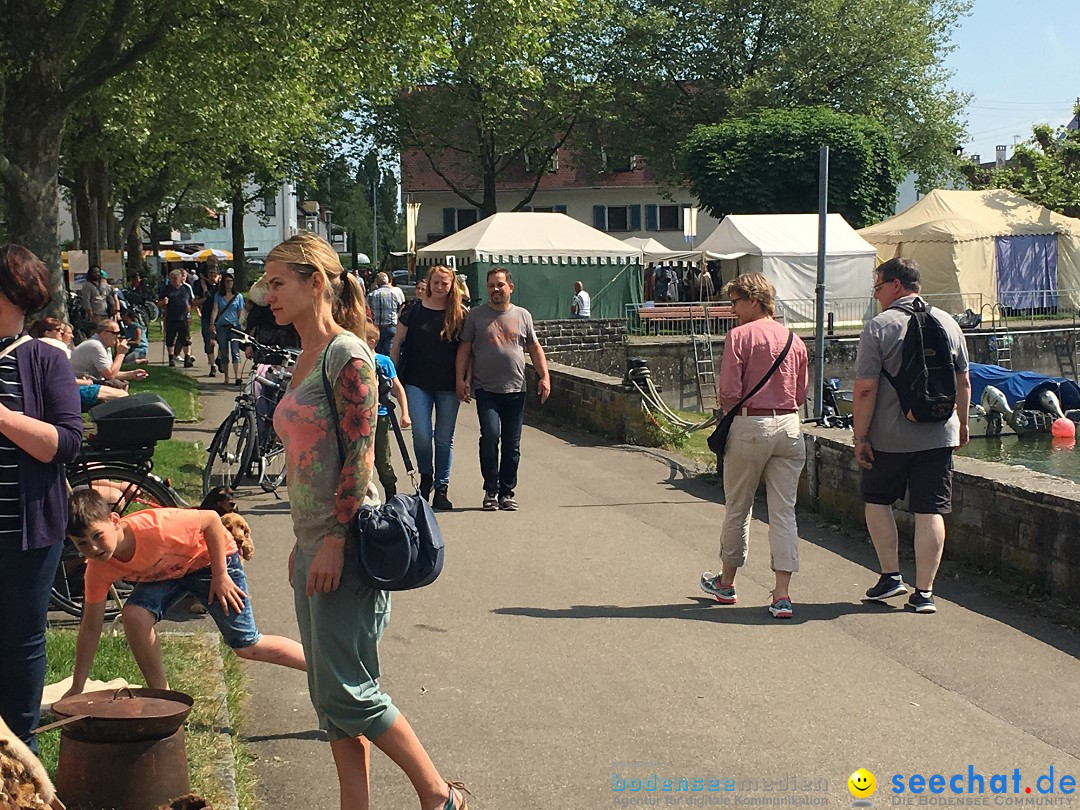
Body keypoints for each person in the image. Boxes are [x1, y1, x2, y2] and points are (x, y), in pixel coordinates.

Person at [265, 232, 468, 810]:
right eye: (268, 284)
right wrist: (302, 542)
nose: (269, 294)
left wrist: (330, 538)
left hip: (345, 541)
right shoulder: (304, 356)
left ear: (315, 283)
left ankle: (437, 795)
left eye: (279, 283)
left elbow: (360, 455)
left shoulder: (345, 354)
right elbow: (308, 461)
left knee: (350, 692)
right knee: (330, 698)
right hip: (314, 541)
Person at [64, 490, 307, 695]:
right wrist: (77, 686)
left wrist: (221, 575)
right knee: (135, 615)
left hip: (209, 560)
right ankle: (163, 698)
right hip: (167, 573)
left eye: (98, 536)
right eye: (82, 543)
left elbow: (212, 519)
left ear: (115, 520)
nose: (93, 548)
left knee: (248, 646)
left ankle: (323, 668)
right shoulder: (98, 569)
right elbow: (91, 627)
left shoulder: (157, 527)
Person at [0, 244, 83, 749]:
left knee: (22, 641)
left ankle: (20, 748)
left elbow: (66, 443)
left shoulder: (43, 356)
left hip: (26, 532)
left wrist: (4, 419)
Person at [853, 257, 971, 614]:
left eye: (877, 287)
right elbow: (964, 380)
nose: (876, 295)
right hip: (938, 433)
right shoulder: (949, 321)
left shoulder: (880, 327)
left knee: (877, 501)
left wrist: (860, 437)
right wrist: (962, 425)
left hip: (890, 435)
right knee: (931, 509)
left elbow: (865, 390)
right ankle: (925, 593)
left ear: (896, 286)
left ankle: (890, 576)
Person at [699, 273, 808, 619]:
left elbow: (729, 391)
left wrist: (729, 414)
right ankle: (781, 594)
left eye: (735, 302)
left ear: (753, 301)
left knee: (739, 505)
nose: (732, 309)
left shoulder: (739, 337)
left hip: (751, 423)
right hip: (790, 425)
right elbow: (802, 392)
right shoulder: (794, 339)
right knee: (783, 511)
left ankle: (727, 582)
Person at [455, 268, 551, 511]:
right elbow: (465, 349)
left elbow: (534, 348)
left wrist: (545, 377)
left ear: (510, 287)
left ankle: (507, 491)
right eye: (490, 285)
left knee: (512, 443)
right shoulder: (476, 316)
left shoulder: (522, 315)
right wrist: (460, 379)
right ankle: (491, 488)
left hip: (516, 389)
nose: (495, 290)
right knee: (490, 435)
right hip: (486, 388)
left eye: (499, 285)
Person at [390, 265, 467, 510]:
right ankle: (426, 476)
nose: (440, 287)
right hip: (416, 380)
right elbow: (397, 341)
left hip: (448, 383)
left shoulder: (460, 314)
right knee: (422, 434)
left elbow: (468, 351)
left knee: (444, 438)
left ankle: (441, 488)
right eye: (436, 282)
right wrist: (391, 373)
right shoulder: (412, 310)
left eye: (445, 283)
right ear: (428, 283)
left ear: (451, 285)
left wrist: (465, 379)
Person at [29, 318, 127, 410]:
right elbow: (59, 380)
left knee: (119, 389)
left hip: (57, 390)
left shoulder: (38, 347)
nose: (62, 332)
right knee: (121, 395)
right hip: (64, 392)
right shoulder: (56, 347)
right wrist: (121, 354)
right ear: (47, 333)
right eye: (58, 330)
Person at [363, 323, 411, 499]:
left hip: (380, 416)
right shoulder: (352, 361)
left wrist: (405, 413)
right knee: (359, 458)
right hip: (357, 418)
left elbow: (397, 388)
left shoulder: (383, 361)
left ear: (371, 342)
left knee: (382, 459)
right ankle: (361, 495)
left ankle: (391, 492)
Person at [70, 319, 149, 388]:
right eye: (115, 333)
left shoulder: (105, 346)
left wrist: (132, 374)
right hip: (80, 382)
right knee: (117, 384)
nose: (118, 336)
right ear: (103, 333)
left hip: (91, 379)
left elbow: (111, 372)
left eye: (119, 333)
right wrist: (120, 354)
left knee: (123, 383)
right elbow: (109, 375)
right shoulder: (96, 345)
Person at [211, 272, 245, 385]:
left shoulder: (238, 296)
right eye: (227, 281)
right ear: (223, 283)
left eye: (231, 281)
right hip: (222, 327)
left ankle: (237, 377)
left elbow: (240, 312)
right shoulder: (218, 296)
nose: (229, 283)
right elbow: (215, 310)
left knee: (235, 352)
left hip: (234, 327)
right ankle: (226, 376)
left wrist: (243, 327)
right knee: (224, 352)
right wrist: (212, 323)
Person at [158, 269, 196, 367]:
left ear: (180, 279)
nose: (173, 281)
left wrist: (190, 314)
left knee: (186, 339)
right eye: (171, 279)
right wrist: (163, 302)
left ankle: (187, 357)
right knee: (170, 338)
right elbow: (159, 302)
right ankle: (171, 357)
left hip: (183, 318)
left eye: (175, 279)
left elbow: (191, 302)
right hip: (171, 317)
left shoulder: (186, 288)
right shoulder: (167, 289)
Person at [368, 272, 405, 355]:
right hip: (391, 326)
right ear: (388, 281)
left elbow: (367, 311)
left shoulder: (372, 294)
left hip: (376, 327)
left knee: (377, 353)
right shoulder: (396, 293)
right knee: (390, 353)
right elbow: (402, 309)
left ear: (377, 282)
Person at [195, 266, 221, 377]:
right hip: (206, 316)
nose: (212, 276)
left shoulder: (221, 287)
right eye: (210, 273)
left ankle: (219, 358)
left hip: (220, 317)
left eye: (215, 273)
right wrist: (205, 297)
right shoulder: (201, 287)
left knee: (222, 341)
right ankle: (212, 366)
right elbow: (195, 302)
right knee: (208, 342)